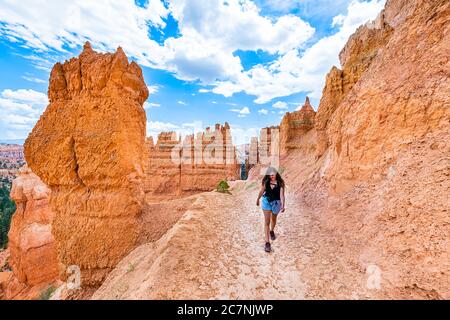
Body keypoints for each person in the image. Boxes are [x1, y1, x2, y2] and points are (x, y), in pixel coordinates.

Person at [256, 167, 285, 252]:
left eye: (273, 174)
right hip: (266, 202)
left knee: (274, 219)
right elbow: (261, 191)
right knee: (267, 222)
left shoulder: (280, 183)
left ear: (276, 174)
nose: (272, 176)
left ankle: (272, 231)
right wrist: (258, 199)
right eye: (270, 175)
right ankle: (267, 243)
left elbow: (282, 195)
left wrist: (283, 205)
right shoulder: (266, 182)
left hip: (276, 203)